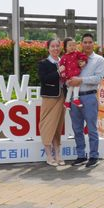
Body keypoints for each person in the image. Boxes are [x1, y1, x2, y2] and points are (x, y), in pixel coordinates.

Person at [67, 33, 104, 167]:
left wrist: (81, 80)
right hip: (74, 97)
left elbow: (98, 79)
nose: (87, 45)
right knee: (77, 128)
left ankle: (94, 156)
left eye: (90, 42)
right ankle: (81, 155)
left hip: (89, 97)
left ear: (93, 44)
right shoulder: (74, 57)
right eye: (85, 42)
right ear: (81, 44)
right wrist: (68, 81)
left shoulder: (99, 60)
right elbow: (68, 73)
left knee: (91, 128)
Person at [37, 38, 66, 166]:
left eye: (57, 46)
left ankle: (58, 154)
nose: (55, 48)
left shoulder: (64, 61)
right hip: (50, 98)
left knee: (58, 126)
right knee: (47, 125)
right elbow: (44, 79)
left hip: (62, 97)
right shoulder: (44, 63)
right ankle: (49, 156)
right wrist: (58, 72)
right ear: (48, 48)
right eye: (52, 46)